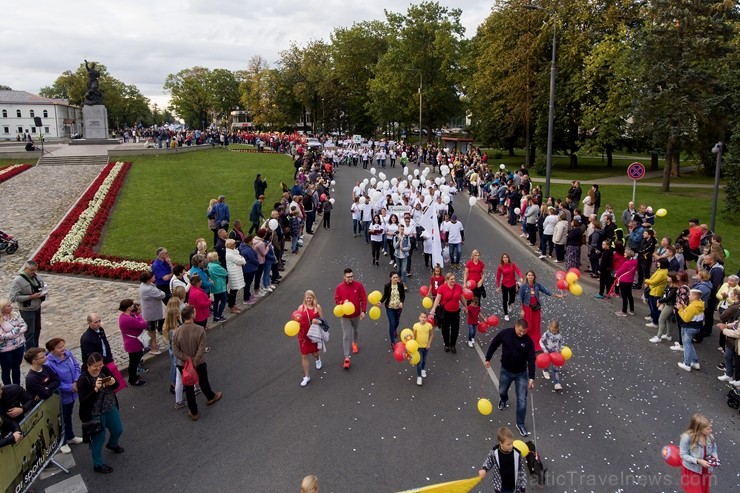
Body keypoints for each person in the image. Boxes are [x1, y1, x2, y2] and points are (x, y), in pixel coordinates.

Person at [484, 319, 536, 437]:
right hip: (506, 370)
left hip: (521, 374)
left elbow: (532, 359)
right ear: (515, 327)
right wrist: (488, 358)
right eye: (520, 331)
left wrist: (531, 377)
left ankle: (520, 423)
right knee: (502, 390)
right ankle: (503, 399)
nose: (522, 333)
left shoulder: (528, 341)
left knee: (522, 400)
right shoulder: (505, 333)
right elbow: (494, 343)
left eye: (524, 332)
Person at [172, 305, 222, 421]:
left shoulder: (177, 332)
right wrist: (194, 360)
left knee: (189, 387)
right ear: (192, 315)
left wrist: (187, 359)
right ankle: (210, 397)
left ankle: (193, 411)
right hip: (198, 362)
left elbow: (176, 351)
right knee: (203, 381)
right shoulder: (200, 329)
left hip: (183, 364)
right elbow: (202, 347)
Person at [77, 352, 124, 474]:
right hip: (95, 413)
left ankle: (112, 444)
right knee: (99, 438)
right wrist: (96, 389)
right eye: (95, 366)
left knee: (118, 429)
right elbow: (83, 400)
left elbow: (116, 386)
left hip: (110, 407)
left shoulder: (105, 370)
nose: (98, 368)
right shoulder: (83, 379)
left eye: (100, 364)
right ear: (88, 366)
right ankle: (98, 464)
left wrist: (113, 383)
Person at [44, 338, 82, 453]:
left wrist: (76, 381)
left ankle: (70, 436)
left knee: (68, 415)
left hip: (72, 392)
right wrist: (70, 387)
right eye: (59, 347)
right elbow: (55, 382)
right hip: (62, 395)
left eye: (63, 346)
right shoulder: (49, 364)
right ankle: (63, 441)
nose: (63, 349)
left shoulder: (68, 354)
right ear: (52, 350)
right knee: (61, 419)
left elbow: (76, 367)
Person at [518, 270, 562, 351]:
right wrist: (522, 310)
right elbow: (520, 298)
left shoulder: (537, 285)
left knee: (536, 326)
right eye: (529, 275)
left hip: (536, 309)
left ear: (534, 277)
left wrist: (558, 295)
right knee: (528, 326)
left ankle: (536, 346)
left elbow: (547, 291)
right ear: (526, 276)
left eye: (532, 275)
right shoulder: (523, 286)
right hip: (527, 308)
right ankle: (525, 343)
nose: (530, 277)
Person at [334, 268, 367, 369]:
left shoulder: (358, 285)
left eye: (351, 276)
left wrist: (363, 311)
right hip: (345, 316)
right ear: (344, 277)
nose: (350, 279)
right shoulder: (339, 287)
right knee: (346, 335)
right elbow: (336, 299)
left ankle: (355, 343)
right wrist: (342, 302)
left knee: (355, 330)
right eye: (348, 277)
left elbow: (364, 298)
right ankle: (346, 357)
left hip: (356, 314)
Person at [8, 260, 46, 349]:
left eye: (35, 270)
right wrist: (30, 297)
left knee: (37, 329)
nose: (34, 272)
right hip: (27, 310)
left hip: (37, 307)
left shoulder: (37, 277)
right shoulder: (18, 280)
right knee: (29, 332)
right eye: (32, 270)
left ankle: (36, 348)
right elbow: (13, 297)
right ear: (26, 269)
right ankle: (30, 352)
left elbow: (42, 287)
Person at [478, 426, 528, 493]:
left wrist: (522, 487)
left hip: (514, 485)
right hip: (500, 487)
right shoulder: (494, 453)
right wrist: (484, 469)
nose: (511, 446)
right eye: (508, 444)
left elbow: (522, 470)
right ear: (500, 443)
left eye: (512, 443)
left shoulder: (517, 454)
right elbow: (489, 461)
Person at [429, 272, 468, 353]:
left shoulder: (458, 287)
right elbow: (438, 299)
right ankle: (446, 344)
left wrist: (466, 306)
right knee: (445, 330)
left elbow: (461, 298)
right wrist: (433, 308)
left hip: (455, 312)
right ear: (447, 280)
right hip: (445, 313)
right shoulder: (442, 288)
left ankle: (452, 344)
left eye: (454, 279)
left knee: (455, 330)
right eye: (451, 279)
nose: (453, 280)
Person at [679, 413, 718, 493]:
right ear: (699, 429)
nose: (711, 430)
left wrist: (715, 456)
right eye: (708, 429)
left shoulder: (710, 437)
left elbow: (714, 449)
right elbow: (683, 455)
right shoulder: (687, 438)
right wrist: (698, 461)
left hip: (705, 470)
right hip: (692, 470)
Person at [117, 299, 147, 386]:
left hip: (131, 342)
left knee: (133, 361)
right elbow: (142, 325)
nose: (133, 306)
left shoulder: (123, 316)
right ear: (128, 308)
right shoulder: (129, 319)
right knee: (134, 362)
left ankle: (133, 377)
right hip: (133, 343)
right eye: (132, 305)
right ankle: (133, 379)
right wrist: (142, 319)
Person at [296, 290, 323, 387]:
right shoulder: (301, 307)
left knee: (315, 352)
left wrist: (317, 321)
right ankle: (307, 376)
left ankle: (318, 358)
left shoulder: (317, 307)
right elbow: (297, 319)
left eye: (310, 298)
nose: (308, 299)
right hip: (303, 335)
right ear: (305, 298)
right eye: (307, 298)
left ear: (313, 298)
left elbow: (323, 321)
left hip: (313, 335)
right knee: (304, 355)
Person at [0, 298, 27, 385]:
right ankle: (8, 389)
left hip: (19, 346)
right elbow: (2, 336)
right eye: (8, 306)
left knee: (16, 368)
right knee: (6, 370)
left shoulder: (15, 314)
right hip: (5, 350)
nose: (11, 306)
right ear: (2, 308)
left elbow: (24, 326)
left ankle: (17, 387)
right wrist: (16, 330)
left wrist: (11, 333)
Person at [139, 271, 165, 355]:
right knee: (151, 331)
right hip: (150, 313)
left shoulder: (147, 285)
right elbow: (162, 295)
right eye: (152, 276)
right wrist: (161, 292)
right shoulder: (148, 288)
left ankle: (153, 345)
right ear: (148, 279)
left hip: (151, 311)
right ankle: (153, 347)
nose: (154, 277)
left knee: (152, 330)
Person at [378, 271, 405, 347]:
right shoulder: (387, 286)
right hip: (390, 307)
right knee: (392, 323)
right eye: (394, 277)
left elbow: (403, 296)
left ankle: (394, 330)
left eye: (397, 277)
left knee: (397, 322)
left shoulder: (400, 285)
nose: (396, 279)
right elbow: (385, 295)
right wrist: (380, 301)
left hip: (398, 307)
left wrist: (401, 302)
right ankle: (392, 342)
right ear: (391, 278)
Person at [496, 254, 524, 322]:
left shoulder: (512, 265)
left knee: (512, 299)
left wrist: (520, 277)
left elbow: (518, 270)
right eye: (504, 257)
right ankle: (506, 314)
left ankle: (509, 304)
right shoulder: (500, 267)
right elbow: (498, 277)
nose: (505, 259)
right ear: (502, 259)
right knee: (504, 299)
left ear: (508, 258)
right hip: (505, 285)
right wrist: (497, 286)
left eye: (506, 257)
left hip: (512, 284)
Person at [644, 258, 669, 328]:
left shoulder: (662, 272)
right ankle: (652, 316)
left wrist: (646, 280)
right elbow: (653, 278)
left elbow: (654, 281)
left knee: (654, 307)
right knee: (650, 304)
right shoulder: (661, 270)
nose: (657, 263)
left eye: (659, 262)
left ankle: (655, 322)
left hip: (656, 291)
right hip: (653, 289)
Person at [540, 320, 564, 390]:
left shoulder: (559, 335)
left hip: (556, 354)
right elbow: (541, 341)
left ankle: (557, 383)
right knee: (547, 363)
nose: (554, 332)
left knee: (556, 368)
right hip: (548, 352)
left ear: (558, 329)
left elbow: (560, 343)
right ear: (549, 327)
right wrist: (544, 349)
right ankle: (545, 370)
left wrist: (560, 349)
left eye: (555, 330)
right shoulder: (547, 334)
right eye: (553, 330)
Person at [614, 249, 638, 316]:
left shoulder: (626, 263)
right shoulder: (635, 261)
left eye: (625, 252)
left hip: (624, 281)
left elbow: (620, 271)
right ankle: (631, 310)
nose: (624, 253)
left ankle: (624, 311)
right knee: (629, 295)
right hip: (630, 281)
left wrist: (616, 274)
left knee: (624, 296)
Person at [206, 252, 228, 321]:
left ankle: (215, 315)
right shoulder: (216, 266)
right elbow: (225, 273)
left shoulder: (209, 265)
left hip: (214, 286)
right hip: (220, 286)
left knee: (216, 301)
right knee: (223, 300)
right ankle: (219, 315)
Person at [413, 312, 433, 386]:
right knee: (419, 362)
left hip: (426, 347)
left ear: (427, 318)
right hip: (418, 347)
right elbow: (413, 336)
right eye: (422, 317)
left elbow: (431, 335)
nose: (423, 319)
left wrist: (429, 343)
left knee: (424, 360)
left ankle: (423, 370)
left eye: (425, 317)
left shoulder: (429, 326)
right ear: (419, 318)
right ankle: (419, 376)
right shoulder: (416, 326)